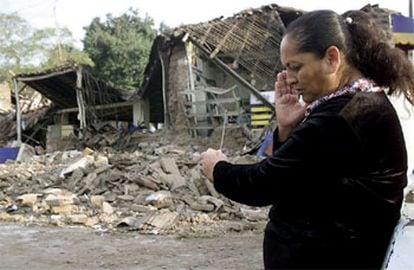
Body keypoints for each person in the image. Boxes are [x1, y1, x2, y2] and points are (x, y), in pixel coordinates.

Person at [200, 9, 414, 269]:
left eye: (296, 67)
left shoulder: (343, 116)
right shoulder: (353, 105)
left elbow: (265, 183)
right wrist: (287, 127)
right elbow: (297, 175)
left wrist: (218, 168)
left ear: (332, 58)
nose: (289, 79)